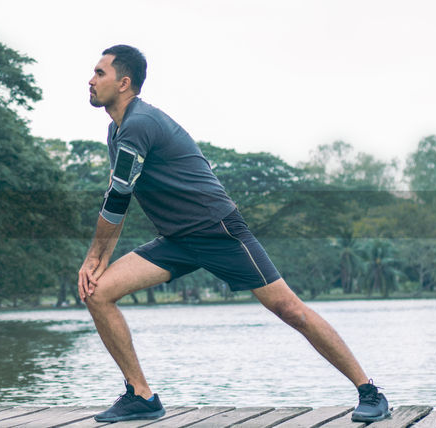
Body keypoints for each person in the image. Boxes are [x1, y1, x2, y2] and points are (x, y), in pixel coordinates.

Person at [76, 45, 390, 423]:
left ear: (124, 83)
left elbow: (119, 197)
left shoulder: (140, 123)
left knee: (289, 309)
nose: (90, 81)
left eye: (99, 73)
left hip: (217, 230)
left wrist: (96, 258)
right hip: (177, 240)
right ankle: (141, 396)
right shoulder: (117, 129)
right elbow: (118, 194)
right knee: (99, 293)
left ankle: (369, 391)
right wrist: (98, 262)